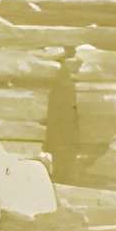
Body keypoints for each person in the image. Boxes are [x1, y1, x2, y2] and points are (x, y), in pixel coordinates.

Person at [43, 47, 84, 184]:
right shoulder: (64, 81)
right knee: (62, 150)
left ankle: (62, 175)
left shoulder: (63, 79)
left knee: (61, 150)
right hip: (63, 123)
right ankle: (63, 176)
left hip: (63, 123)